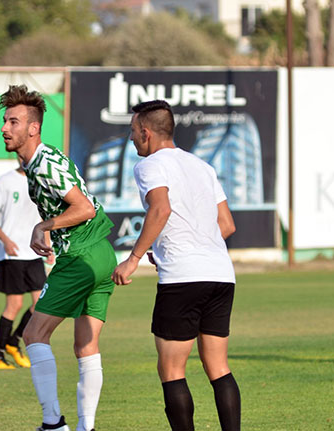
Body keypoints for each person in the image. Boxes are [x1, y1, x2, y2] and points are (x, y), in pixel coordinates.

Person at [111, 100, 241, 431]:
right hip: (221, 275)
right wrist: (171, 246)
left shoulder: (150, 165)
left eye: (131, 132)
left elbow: (160, 210)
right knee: (218, 366)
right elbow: (226, 225)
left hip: (183, 279)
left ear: (145, 132)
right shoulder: (202, 166)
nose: (130, 139)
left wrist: (134, 258)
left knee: (171, 371)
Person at [0, 84, 117, 431]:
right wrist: (51, 227)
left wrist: (44, 226)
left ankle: (53, 424)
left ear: (33, 128)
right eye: (5, 121)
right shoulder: (42, 161)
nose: (5, 128)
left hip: (80, 256)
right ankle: (87, 427)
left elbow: (83, 208)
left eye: (14, 122)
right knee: (86, 345)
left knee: (34, 335)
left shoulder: (44, 164)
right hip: (101, 254)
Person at [0, 156, 55, 370]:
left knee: (40, 304)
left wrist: (48, 244)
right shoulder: (5, 181)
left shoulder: (41, 182)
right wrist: (5, 240)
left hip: (33, 252)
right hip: (12, 254)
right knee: (13, 306)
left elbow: (46, 216)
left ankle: (13, 342)